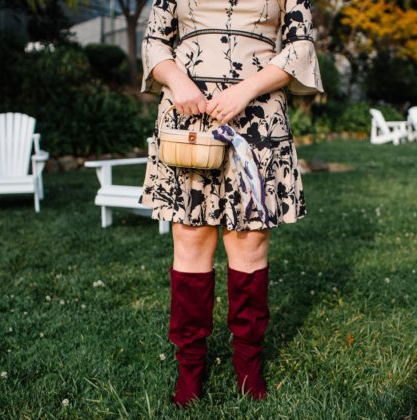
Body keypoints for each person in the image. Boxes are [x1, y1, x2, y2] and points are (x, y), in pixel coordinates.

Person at [139, 0, 324, 407]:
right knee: (190, 237)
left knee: (250, 239)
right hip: (188, 117)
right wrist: (178, 82)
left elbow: (300, 47)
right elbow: (155, 41)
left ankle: (248, 365)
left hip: (258, 116)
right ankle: (190, 368)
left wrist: (245, 90)